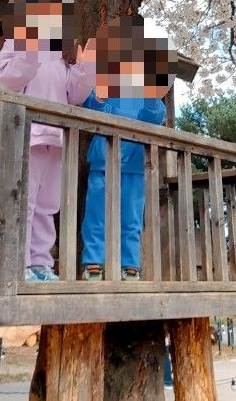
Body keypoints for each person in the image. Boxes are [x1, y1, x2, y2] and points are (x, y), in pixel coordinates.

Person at [0, 0, 95, 282]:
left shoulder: (63, 58)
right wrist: (30, 48)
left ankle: (40, 263)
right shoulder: (16, 44)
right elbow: (8, 79)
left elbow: (74, 94)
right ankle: (19, 263)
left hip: (56, 140)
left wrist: (86, 66)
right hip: (28, 136)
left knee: (49, 204)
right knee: (25, 201)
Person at [81, 16, 177, 281]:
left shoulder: (147, 88)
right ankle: (93, 262)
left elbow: (154, 117)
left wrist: (153, 96)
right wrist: (99, 95)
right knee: (96, 215)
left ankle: (130, 265)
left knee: (132, 218)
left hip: (135, 163)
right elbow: (91, 109)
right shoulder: (107, 81)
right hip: (102, 158)